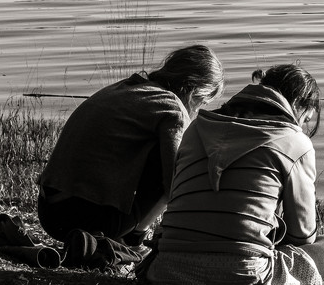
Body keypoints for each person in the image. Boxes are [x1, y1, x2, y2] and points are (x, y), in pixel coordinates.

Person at [144, 63, 324, 285]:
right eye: (306, 119)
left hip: (168, 270)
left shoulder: (196, 128)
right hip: (243, 274)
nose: (302, 126)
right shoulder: (295, 141)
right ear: (300, 105)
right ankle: (309, 284)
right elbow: (302, 237)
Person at [37, 45, 224, 265]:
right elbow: (175, 183)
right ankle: (134, 242)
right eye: (203, 103)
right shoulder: (172, 108)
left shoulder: (127, 87)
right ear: (194, 91)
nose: (198, 109)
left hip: (49, 211)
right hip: (83, 216)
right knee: (176, 164)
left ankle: (112, 238)